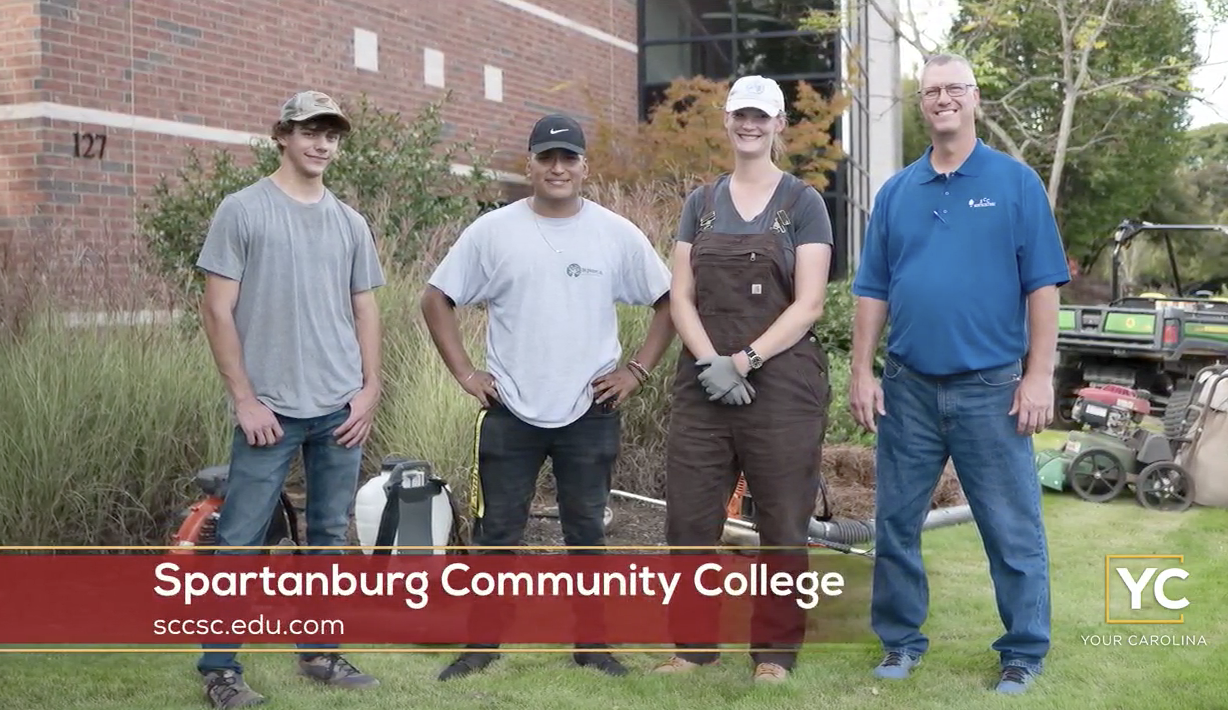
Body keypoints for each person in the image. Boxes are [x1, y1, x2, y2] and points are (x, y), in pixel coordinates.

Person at [419, 113, 676, 681]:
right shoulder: (493, 231)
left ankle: (593, 646)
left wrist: (636, 371)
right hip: (510, 407)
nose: (558, 168)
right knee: (497, 534)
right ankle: (480, 647)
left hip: (590, 409)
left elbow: (668, 301)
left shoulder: (615, 233)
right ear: (529, 165)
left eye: (569, 158)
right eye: (546, 158)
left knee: (586, 531)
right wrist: (465, 373)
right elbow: (436, 297)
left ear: (585, 166)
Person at [848, 53, 1070, 695]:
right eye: (930, 91)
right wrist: (862, 371)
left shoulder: (1015, 182)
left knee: (1012, 527)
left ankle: (1023, 652)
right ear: (922, 104)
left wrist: (1039, 374)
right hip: (909, 387)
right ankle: (899, 642)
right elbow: (872, 289)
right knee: (894, 524)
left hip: (992, 390)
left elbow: (1043, 288)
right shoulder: (896, 192)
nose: (942, 99)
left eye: (954, 89)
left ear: (975, 99)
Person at [194, 90, 386, 709]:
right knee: (241, 541)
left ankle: (319, 652)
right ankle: (220, 672)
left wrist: (370, 389)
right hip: (269, 413)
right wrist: (244, 399)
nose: (322, 143)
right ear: (282, 134)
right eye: (310, 131)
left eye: (332, 133)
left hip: (339, 411)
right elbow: (216, 309)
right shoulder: (243, 210)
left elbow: (365, 308)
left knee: (329, 535)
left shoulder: (349, 221)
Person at [654, 75, 836, 683]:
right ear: (727, 121)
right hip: (703, 385)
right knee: (689, 522)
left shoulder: (803, 203)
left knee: (782, 525)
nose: (750, 125)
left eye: (762, 116)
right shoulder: (700, 205)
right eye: (741, 115)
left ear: (779, 124)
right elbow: (680, 296)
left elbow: (809, 304)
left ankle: (774, 657)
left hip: (781, 389)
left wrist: (745, 361)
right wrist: (711, 363)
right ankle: (692, 649)